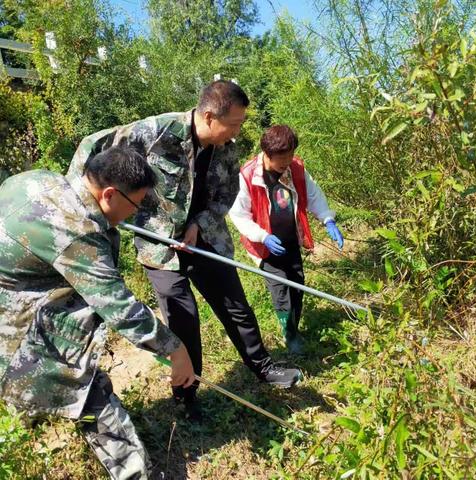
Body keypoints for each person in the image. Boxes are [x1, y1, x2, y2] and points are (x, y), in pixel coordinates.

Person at [67, 80, 302, 422]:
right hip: (160, 246)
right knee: (183, 319)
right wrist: (80, 209)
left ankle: (264, 368)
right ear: (209, 116)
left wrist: (200, 223)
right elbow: (93, 145)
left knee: (235, 304)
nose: (237, 131)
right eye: (234, 123)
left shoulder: (227, 149)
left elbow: (225, 195)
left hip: (206, 240)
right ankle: (187, 395)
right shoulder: (157, 132)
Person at [0, 146, 195, 480]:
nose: (134, 215)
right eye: (134, 205)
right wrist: (176, 350)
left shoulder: (41, 179)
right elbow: (118, 305)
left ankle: (25, 409)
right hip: (13, 315)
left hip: (18, 285)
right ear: (108, 193)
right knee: (82, 385)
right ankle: (136, 473)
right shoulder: (74, 231)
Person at [229, 125, 344, 355]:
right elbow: (238, 214)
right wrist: (263, 236)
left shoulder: (296, 169)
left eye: (291, 155)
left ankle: (294, 326)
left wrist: (327, 219)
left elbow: (313, 196)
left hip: (291, 241)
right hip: (265, 247)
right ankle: (290, 335)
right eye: (282, 159)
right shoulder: (248, 175)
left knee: (297, 285)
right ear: (267, 154)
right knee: (281, 290)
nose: (287, 162)